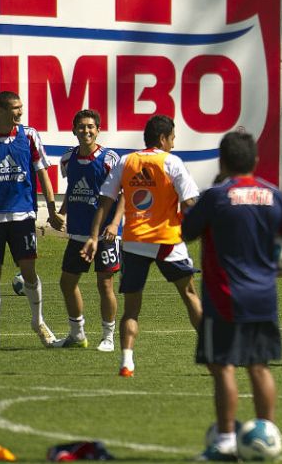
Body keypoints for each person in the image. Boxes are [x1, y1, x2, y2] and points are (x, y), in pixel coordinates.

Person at [181, 131, 282, 461]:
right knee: (259, 366)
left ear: (222, 163)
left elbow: (186, 232)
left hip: (224, 296)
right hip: (263, 298)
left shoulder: (216, 196)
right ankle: (266, 434)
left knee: (223, 366)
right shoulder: (273, 195)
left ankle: (226, 440)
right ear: (255, 162)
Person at [80, 114, 203, 376]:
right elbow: (191, 203)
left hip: (135, 242)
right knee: (190, 294)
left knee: (132, 307)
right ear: (162, 138)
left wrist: (93, 236)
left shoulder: (126, 161)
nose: (173, 143)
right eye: (172, 138)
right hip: (167, 241)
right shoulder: (172, 162)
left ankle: (126, 362)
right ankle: (213, 351)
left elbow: (105, 200)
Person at [0, 90, 64, 350]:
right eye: (15, 108)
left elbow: (43, 174)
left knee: (29, 272)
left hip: (23, 216)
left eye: (21, 107)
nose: (20, 112)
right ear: (1, 110)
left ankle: (38, 322)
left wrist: (51, 210)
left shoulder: (29, 135)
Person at [54, 109, 124, 351]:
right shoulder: (67, 159)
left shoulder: (109, 159)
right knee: (67, 282)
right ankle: (77, 334)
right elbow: (73, 189)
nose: (86, 131)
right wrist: (61, 213)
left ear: (98, 130)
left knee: (104, 284)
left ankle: (108, 336)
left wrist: (115, 224)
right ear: (74, 130)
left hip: (105, 234)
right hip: (78, 232)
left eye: (90, 127)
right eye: (81, 127)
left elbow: (123, 194)